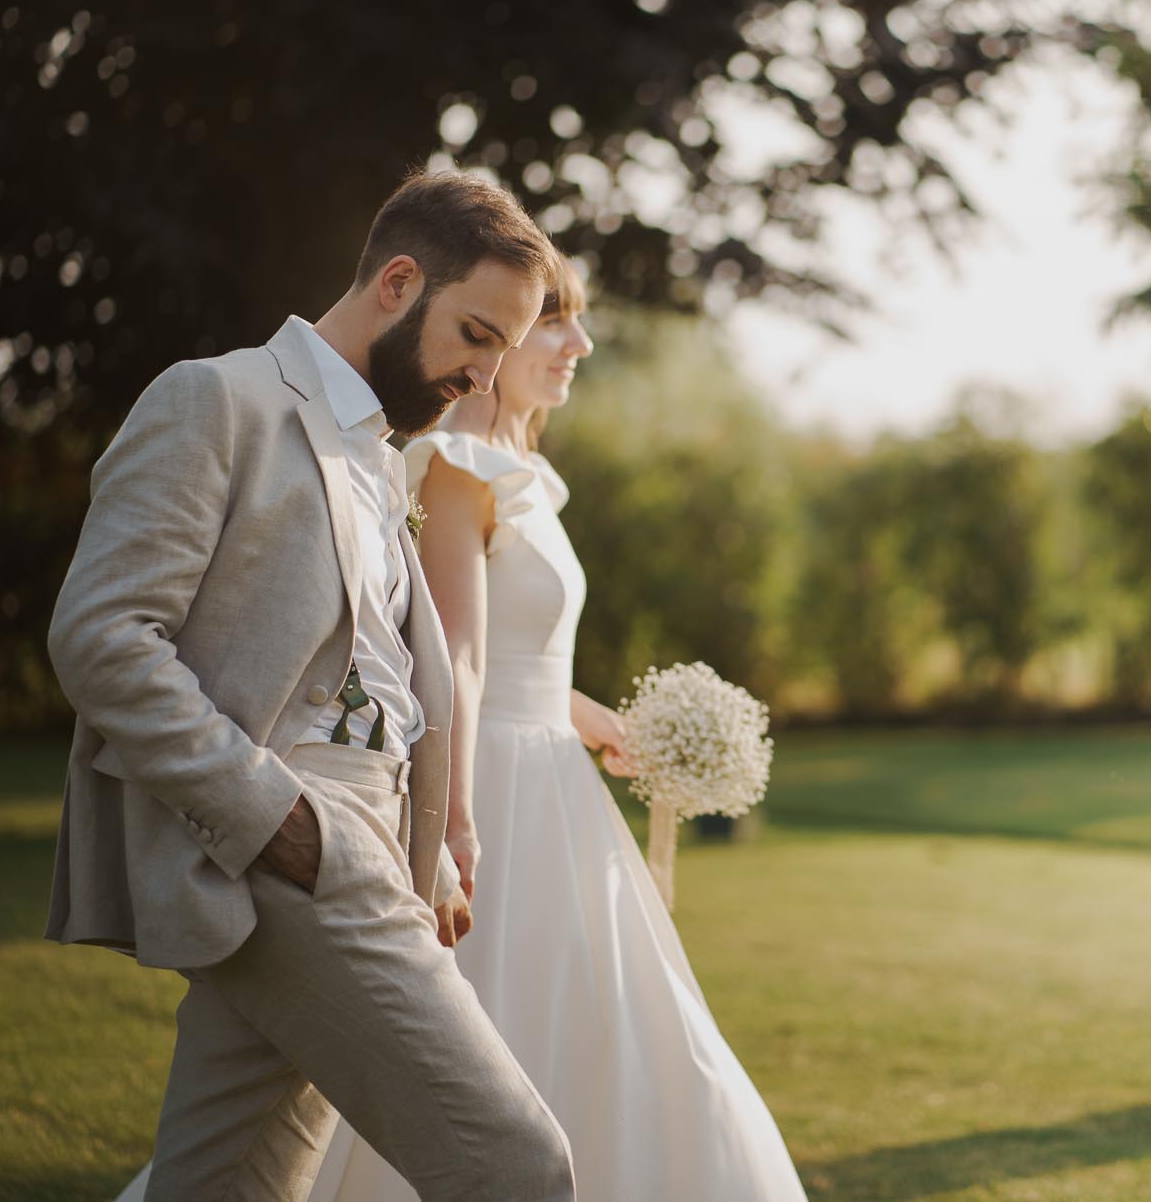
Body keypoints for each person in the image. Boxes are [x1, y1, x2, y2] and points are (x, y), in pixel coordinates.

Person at [53, 170, 577, 1201]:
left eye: (501, 350)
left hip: (364, 847)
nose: (485, 377)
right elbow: (102, 637)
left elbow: (379, 675)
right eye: (476, 335)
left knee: (226, 1187)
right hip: (294, 843)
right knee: (518, 1166)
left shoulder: (381, 456)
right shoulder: (218, 399)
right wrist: (274, 818)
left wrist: (423, 842)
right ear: (397, 282)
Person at [304, 261, 808, 1201]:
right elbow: (455, 659)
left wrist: (597, 720)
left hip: (559, 786)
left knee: (622, 1027)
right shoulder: (458, 467)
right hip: (494, 790)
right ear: (498, 339)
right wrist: (454, 822)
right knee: (494, 1017)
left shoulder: (527, 473)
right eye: (554, 324)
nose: (579, 344)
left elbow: (522, 660)